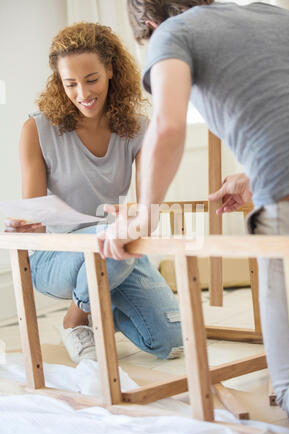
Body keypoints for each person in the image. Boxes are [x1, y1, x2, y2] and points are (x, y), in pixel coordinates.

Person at [98, 1, 289, 423]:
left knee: (286, 377)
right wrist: (252, 174)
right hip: (282, 174)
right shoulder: (273, 13)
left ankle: (287, 392)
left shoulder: (172, 33)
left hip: (286, 189)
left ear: (150, 23)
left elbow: (167, 126)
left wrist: (144, 213)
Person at [4, 22, 183, 363]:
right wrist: (22, 225)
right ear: (60, 83)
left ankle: (100, 307)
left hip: (115, 247)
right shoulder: (37, 130)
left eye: (92, 80)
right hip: (56, 257)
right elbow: (35, 221)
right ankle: (76, 321)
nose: (83, 94)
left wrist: (136, 216)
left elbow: (147, 207)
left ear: (111, 70)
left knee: (171, 342)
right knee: (109, 236)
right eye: (70, 84)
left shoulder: (138, 130)